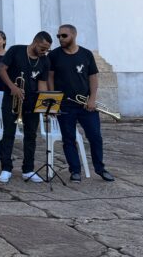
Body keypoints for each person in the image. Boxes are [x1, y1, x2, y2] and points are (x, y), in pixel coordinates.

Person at [48, 24, 115, 182]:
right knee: (68, 139)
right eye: (58, 36)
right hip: (65, 105)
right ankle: (75, 171)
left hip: (86, 105)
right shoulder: (54, 55)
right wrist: (54, 100)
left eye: (64, 36)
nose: (60, 39)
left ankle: (100, 168)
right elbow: (50, 77)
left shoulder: (86, 54)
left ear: (74, 35)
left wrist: (92, 98)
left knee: (95, 137)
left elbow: (93, 77)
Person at [0, 31, 52, 183]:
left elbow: (42, 83)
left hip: (31, 102)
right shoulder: (16, 50)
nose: (44, 51)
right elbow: (1, 69)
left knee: (31, 136)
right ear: (35, 42)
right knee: (8, 134)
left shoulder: (44, 60)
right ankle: (6, 168)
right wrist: (12, 87)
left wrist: (45, 103)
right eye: (42, 48)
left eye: (47, 49)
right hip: (11, 99)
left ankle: (28, 169)